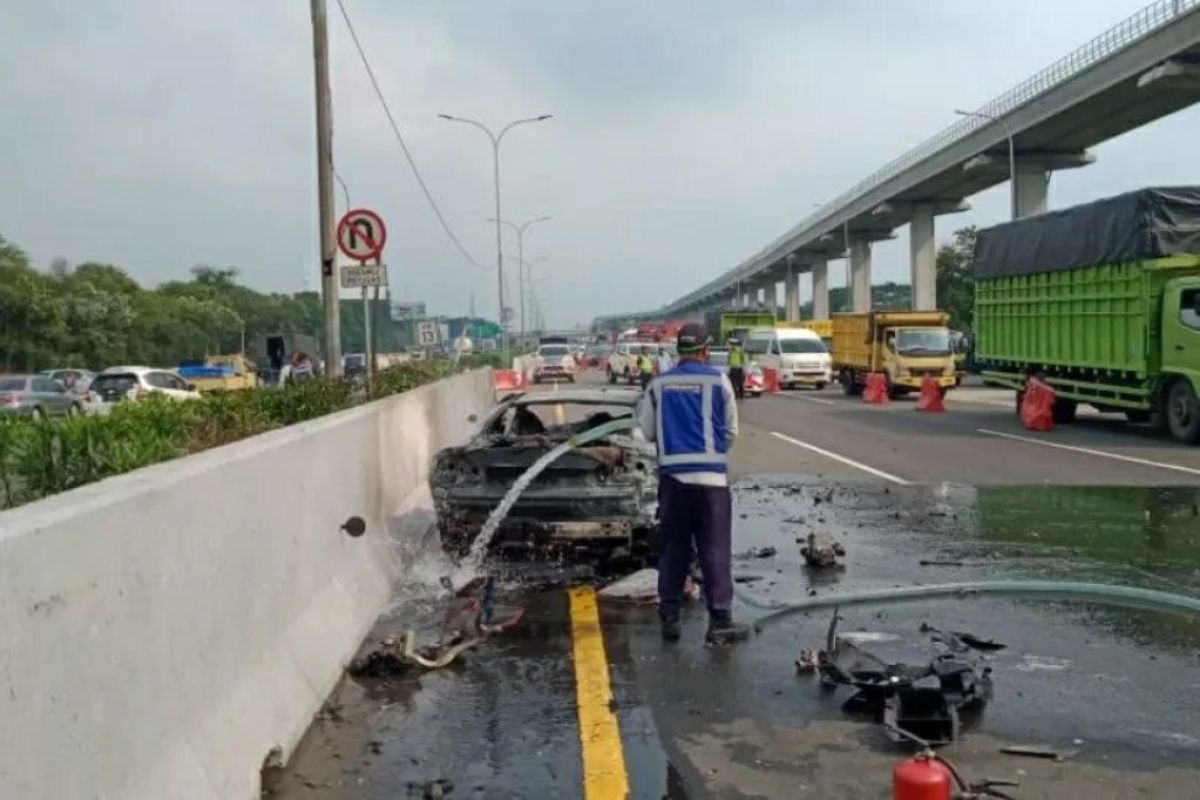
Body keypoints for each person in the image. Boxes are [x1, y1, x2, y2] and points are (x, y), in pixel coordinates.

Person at [637, 323, 749, 645]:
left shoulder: (658, 384)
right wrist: (709, 454)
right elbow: (730, 433)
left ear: (677, 351)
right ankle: (719, 621)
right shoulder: (720, 380)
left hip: (673, 480)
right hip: (711, 480)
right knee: (714, 548)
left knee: (673, 549)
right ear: (704, 350)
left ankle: (670, 618)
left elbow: (646, 433)